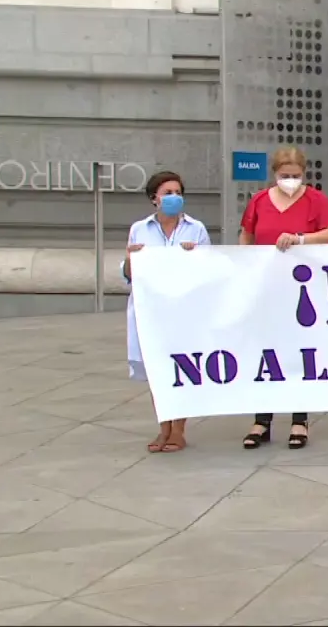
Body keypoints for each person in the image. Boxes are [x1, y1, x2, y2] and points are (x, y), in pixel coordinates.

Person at [238, 146, 328, 450]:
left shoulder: (315, 200)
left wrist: (300, 239)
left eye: (296, 175)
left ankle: (299, 419)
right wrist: (245, 263)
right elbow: (247, 234)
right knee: (265, 351)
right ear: (275, 174)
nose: (291, 180)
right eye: (285, 175)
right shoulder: (260, 200)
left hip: (302, 289)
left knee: (299, 352)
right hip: (267, 287)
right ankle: (262, 419)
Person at [122, 170, 211, 454]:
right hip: (152, 311)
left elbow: (210, 269)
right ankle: (164, 427)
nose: (174, 197)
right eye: (167, 193)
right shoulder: (140, 229)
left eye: (178, 193)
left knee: (181, 368)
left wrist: (195, 255)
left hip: (184, 311)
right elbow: (129, 274)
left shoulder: (195, 228)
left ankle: (178, 430)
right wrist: (131, 258)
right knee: (158, 370)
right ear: (154, 199)